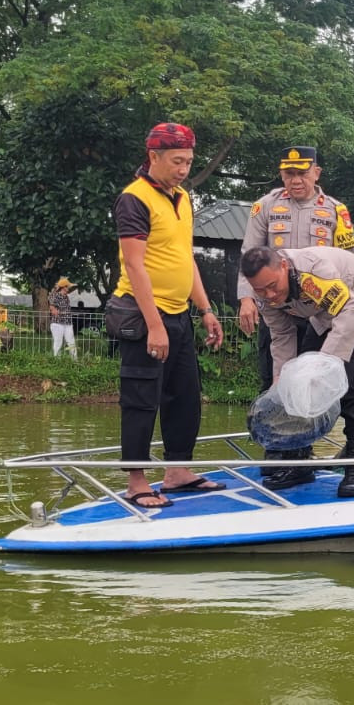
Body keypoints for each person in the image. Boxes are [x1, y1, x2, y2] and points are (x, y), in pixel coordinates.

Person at [112, 122, 226, 508]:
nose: (183, 169)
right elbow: (135, 265)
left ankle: (177, 471)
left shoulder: (181, 198)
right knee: (142, 397)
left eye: (189, 161)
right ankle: (137, 481)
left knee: (186, 397)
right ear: (154, 157)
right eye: (177, 161)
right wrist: (155, 325)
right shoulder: (134, 199)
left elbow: (184, 258)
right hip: (142, 314)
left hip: (179, 314)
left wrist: (206, 309)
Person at [241, 244, 354, 497]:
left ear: (284, 267)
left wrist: (324, 365)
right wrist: (281, 381)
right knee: (296, 383)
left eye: (273, 286)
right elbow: (282, 335)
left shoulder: (313, 272)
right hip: (324, 317)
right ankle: (300, 460)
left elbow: (350, 311)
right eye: (260, 290)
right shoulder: (264, 297)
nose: (269, 295)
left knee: (350, 383)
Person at [236, 146, 354, 387]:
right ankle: (272, 422)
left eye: (302, 173)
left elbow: (348, 263)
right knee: (273, 378)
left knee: (315, 382)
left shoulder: (336, 211)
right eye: (289, 174)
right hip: (276, 306)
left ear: (317, 173)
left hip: (320, 310)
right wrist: (246, 298)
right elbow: (248, 255)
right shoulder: (265, 206)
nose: (296, 180)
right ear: (281, 175)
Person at [48, 276, 78, 359]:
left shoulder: (66, 297)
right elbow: (52, 308)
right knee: (58, 342)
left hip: (68, 323)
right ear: (64, 287)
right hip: (58, 323)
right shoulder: (56, 296)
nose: (69, 288)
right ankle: (57, 361)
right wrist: (55, 311)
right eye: (68, 286)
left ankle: (75, 360)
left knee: (71, 342)